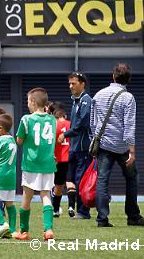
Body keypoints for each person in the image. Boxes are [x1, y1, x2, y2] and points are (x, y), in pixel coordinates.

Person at [91, 63, 144, 227]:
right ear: (128, 80)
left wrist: (96, 141)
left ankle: (102, 219)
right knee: (132, 178)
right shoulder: (128, 98)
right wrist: (132, 151)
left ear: (113, 76)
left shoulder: (99, 95)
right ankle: (133, 216)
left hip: (104, 146)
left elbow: (93, 123)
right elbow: (129, 125)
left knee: (102, 181)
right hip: (122, 147)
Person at [13, 88, 56, 241]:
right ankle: (48, 229)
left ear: (32, 102)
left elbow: (19, 141)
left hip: (31, 163)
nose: (27, 105)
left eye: (28, 102)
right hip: (48, 163)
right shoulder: (52, 119)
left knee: (27, 196)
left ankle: (24, 231)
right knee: (46, 195)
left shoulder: (26, 119)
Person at [62, 71, 93, 219]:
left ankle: (83, 211)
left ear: (82, 84)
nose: (70, 86)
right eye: (69, 83)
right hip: (74, 147)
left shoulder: (86, 100)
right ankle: (74, 208)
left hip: (83, 148)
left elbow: (82, 125)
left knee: (81, 179)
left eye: (73, 83)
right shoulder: (76, 100)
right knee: (71, 179)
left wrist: (65, 134)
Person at [52, 108, 71, 218]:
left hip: (58, 158)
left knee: (58, 185)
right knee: (71, 182)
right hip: (70, 156)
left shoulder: (54, 125)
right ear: (65, 115)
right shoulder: (71, 124)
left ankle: (55, 209)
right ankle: (71, 206)